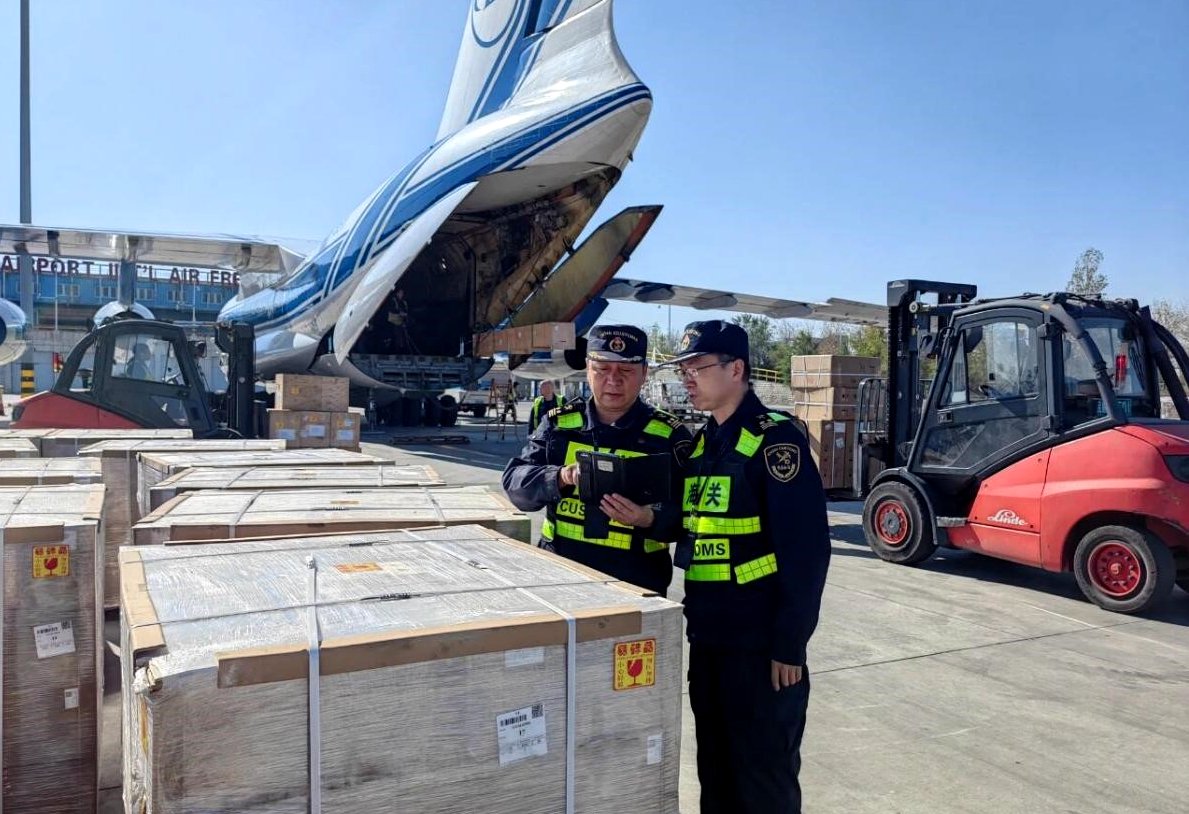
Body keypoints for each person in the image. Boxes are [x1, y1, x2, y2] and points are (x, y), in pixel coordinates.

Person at [666, 320, 830, 814]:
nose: (687, 379)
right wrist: (648, 518)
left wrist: (789, 645)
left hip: (760, 650)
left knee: (763, 780)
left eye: (697, 368)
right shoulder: (703, 445)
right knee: (716, 775)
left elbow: (805, 552)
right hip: (709, 640)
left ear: (736, 369)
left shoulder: (776, 442)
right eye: (683, 370)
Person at [501, 324, 693, 596]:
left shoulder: (669, 435)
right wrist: (560, 477)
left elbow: (693, 517)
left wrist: (649, 518)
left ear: (644, 373)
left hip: (636, 587)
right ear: (588, 368)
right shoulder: (558, 425)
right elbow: (515, 485)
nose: (613, 380)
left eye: (625, 371)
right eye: (602, 369)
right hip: (561, 582)